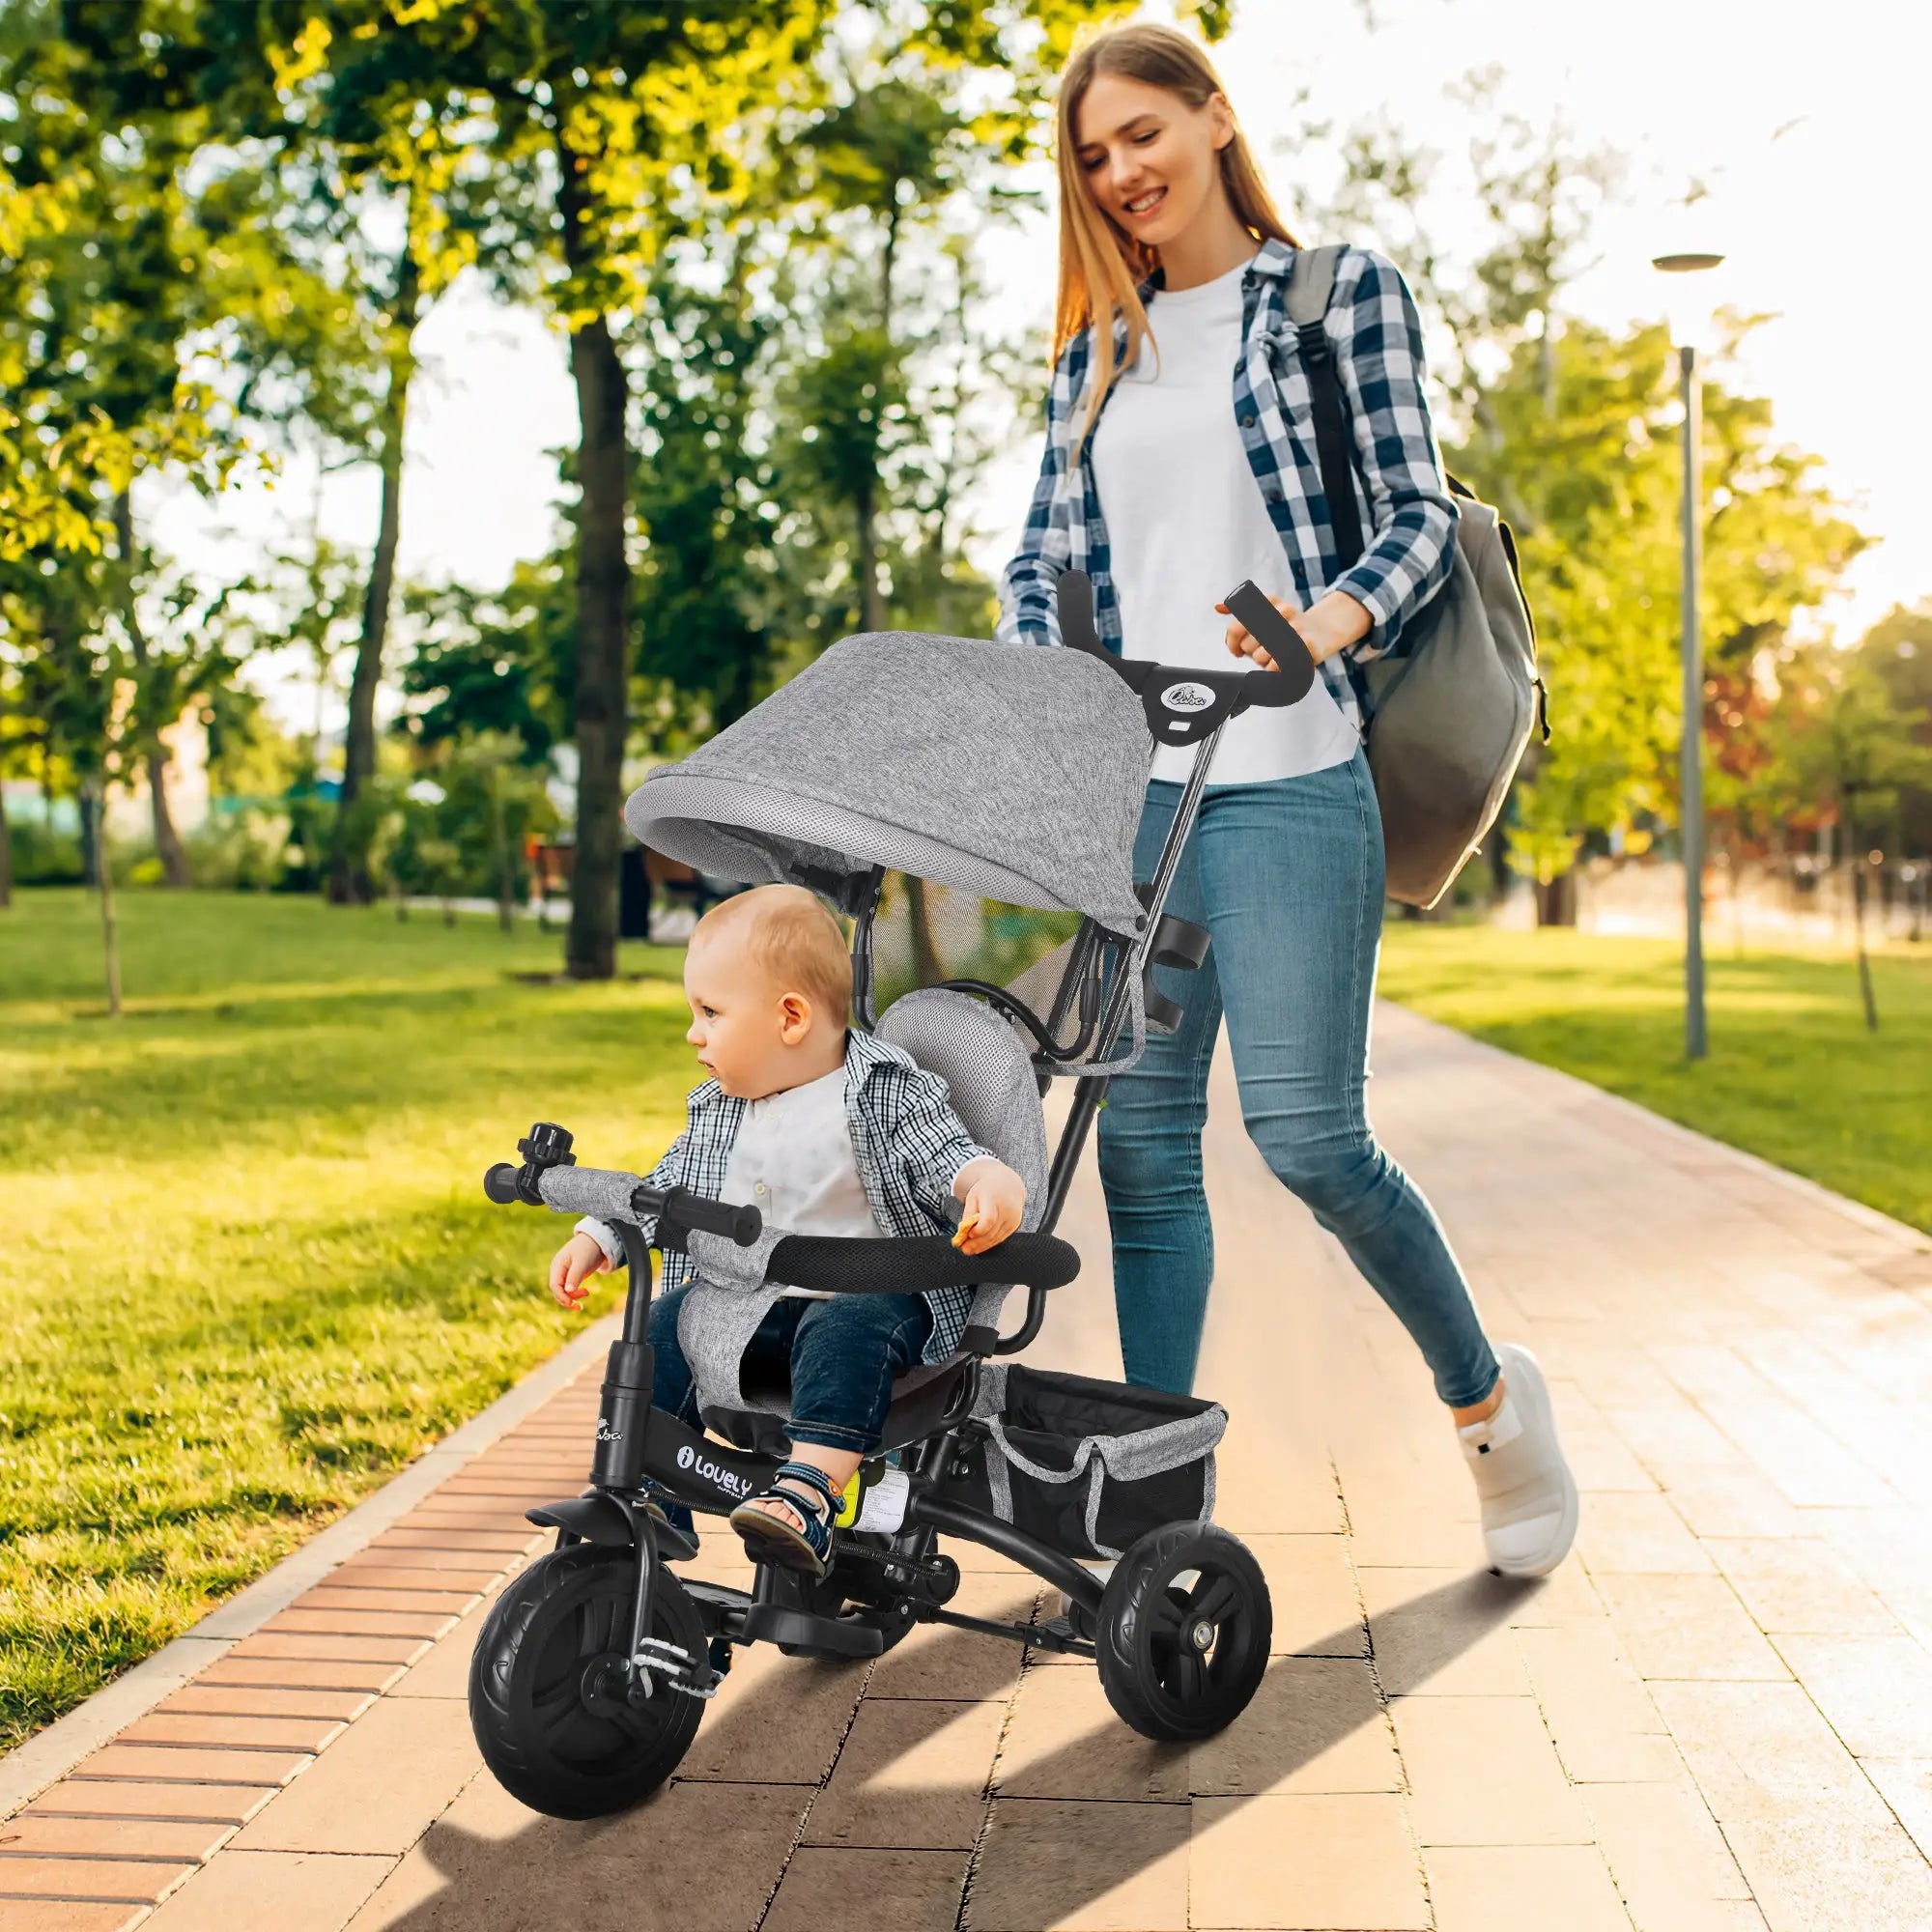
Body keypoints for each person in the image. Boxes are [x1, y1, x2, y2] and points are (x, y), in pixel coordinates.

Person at [997, 21, 1576, 1577]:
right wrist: (1036, 678)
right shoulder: (1091, 355)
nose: (1120, 174)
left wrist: (1325, 620)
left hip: (1295, 775)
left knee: (1314, 1138)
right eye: (1093, 156)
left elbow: (1411, 514)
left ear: (1212, 115)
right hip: (1144, 801)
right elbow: (1038, 559)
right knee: (1141, 1153)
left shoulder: (1336, 299)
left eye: (1140, 134)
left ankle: (1488, 1406)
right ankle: (1152, 1516)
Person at [547, 883, 1028, 1577]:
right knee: (664, 1327)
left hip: (867, 1306)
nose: (693, 1033)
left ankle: (811, 1489)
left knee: (847, 1330)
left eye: (710, 1012)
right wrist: (603, 1236)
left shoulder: (884, 1091)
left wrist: (989, 1185)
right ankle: (650, 1496)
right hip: (749, 1311)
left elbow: (946, 1155)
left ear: (791, 1018)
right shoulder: (721, 1107)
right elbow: (670, 1187)